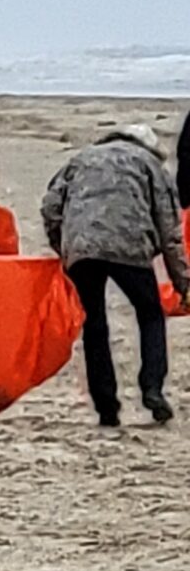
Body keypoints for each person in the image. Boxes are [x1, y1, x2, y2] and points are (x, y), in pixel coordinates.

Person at [42, 124, 190, 427]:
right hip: (130, 246)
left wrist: (64, 249)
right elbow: (170, 230)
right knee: (150, 314)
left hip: (82, 248)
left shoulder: (80, 159)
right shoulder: (150, 164)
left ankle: (106, 406)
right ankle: (152, 388)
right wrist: (183, 284)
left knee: (94, 325)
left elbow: (50, 207)